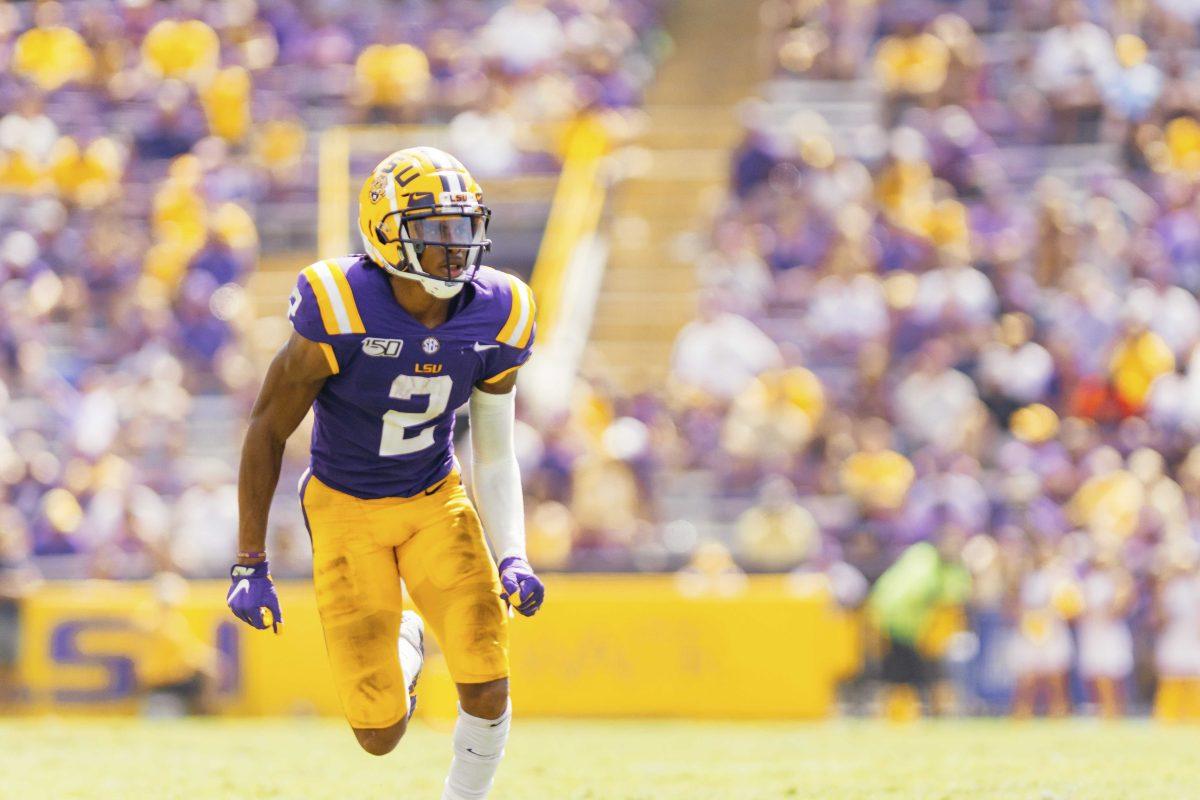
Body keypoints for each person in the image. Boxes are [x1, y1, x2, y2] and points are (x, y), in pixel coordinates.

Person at [225, 146, 545, 800]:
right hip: (345, 509)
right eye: (435, 232)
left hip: (436, 498)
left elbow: (493, 445)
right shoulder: (338, 304)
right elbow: (266, 428)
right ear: (387, 233)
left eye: (462, 228)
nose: (456, 248)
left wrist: (513, 555)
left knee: (487, 673)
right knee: (379, 733)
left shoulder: (501, 309)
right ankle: (404, 636)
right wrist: (249, 561)